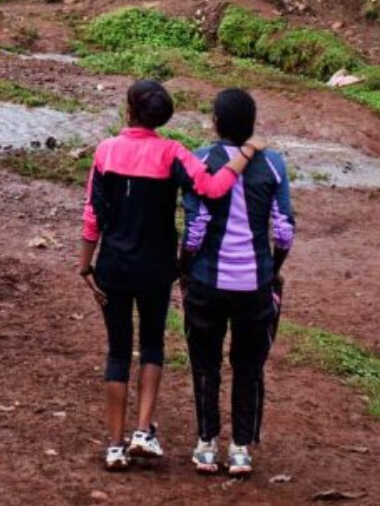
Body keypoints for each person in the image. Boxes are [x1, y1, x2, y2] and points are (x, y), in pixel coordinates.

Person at [79, 80, 263, 472]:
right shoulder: (173, 153)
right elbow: (213, 188)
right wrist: (246, 153)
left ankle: (114, 446)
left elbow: (92, 213)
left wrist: (85, 266)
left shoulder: (106, 150)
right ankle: (143, 431)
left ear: (130, 110)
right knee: (152, 345)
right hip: (156, 268)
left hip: (112, 266)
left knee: (117, 351)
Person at [180, 88, 295, 478]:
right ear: (252, 123)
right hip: (255, 283)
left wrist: (184, 269)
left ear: (215, 123)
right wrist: (272, 268)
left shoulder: (200, 159)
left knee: (205, 363)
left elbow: (195, 229)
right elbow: (284, 230)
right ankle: (241, 448)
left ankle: (206, 444)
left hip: (207, 282)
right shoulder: (273, 164)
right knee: (249, 367)